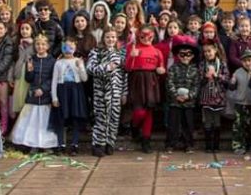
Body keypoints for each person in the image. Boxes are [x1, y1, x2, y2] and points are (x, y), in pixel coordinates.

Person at [10, 34, 58, 152]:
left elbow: (53, 78)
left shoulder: (52, 61)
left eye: (43, 44)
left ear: (47, 46)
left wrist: (43, 89)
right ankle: (33, 144)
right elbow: (28, 79)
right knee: (32, 122)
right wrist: (30, 70)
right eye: (38, 44)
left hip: (46, 96)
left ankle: (46, 144)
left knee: (44, 122)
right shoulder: (31, 59)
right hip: (33, 95)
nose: (40, 47)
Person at [125, 25, 165, 153]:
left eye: (149, 35)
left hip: (151, 81)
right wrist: (131, 56)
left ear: (153, 36)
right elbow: (127, 68)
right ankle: (134, 126)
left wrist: (161, 70)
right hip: (137, 80)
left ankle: (146, 140)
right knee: (139, 112)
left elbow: (161, 68)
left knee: (148, 112)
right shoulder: (133, 48)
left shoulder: (157, 51)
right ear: (139, 35)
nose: (146, 38)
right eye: (143, 35)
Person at [88, 28, 127, 156]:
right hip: (101, 91)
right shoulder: (96, 52)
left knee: (114, 117)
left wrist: (124, 93)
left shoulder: (120, 53)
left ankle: (110, 143)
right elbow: (90, 68)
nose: (110, 39)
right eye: (108, 37)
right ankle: (98, 144)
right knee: (101, 117)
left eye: (113, 37)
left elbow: (124, 75)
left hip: (116, 91)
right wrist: (107, 67)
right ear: (103, 38)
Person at [50, 36, 88, 155]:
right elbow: (54, 81)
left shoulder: (78, 61)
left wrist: (80, 66)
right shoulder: (58, 63)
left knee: (76, 117)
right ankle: (61, 144)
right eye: (65, 47)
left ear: (75, 48)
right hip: (62, 91)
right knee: (61, 117)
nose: (68, 50)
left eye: (71, 47)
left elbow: (84, 78)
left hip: (76, 90)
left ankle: (74, 144)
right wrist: (54, 97)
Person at [166, 38, 201, 153]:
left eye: (188, 54)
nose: (185, 57)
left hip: (189, 103)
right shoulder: (173, 68)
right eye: (182, 54)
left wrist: (189, 96)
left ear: (192, 56)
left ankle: (189, 144)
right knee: (173, 124)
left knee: (188, 125)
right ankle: (171, 144)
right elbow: (169, 83)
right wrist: (175, 95)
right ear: (178, 55)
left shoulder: (195, 70)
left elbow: (196, 86)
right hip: (175, 102)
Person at [199, 39, 229, 153]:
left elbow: (227, 79)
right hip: (206, 96)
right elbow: (198, 80)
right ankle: (208, 145)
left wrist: (217, 76)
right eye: (205, 52)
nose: (207, 53)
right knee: (207, 121)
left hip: (218, 96)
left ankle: (216, 146)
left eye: (209, 51)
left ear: (215, 50)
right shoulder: (202, 64)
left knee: (216, 121)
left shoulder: (222, 64)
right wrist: (205, 77)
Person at [228, 48, 251, 155]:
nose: (247, 63)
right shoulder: (238, 72)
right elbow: (231, 87)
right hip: (240, 103)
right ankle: (238, 145)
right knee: (238, 125)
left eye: (249, 60)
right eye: (245, 61)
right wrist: (232, 82)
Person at [11, 21, 36, 117]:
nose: (24, 31)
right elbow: (13, 61)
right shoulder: (16, 43)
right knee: (19, 98)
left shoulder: (35, 44)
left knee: (28, 97)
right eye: (22, 29)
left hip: (29, 73)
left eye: (27, 29)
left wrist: (30, 45)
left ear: (32, 30)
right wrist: (10, 77)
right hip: (19, 73)